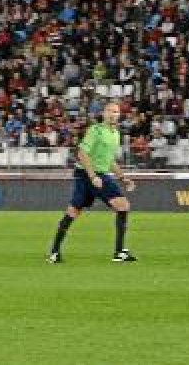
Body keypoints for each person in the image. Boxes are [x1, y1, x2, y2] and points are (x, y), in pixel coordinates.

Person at [48, 101, 137, 263]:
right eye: (110, 111)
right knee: (76, 211)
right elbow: (82, 154)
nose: (113, 114)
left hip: (97, 175)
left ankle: (54, 252)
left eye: (116, 112)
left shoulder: (116, 134)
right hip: (87, 175)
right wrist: (93, 176)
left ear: (119, 115)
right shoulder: (96, 130)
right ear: (103, 114)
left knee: (77, 211)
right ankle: (55, 252)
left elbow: (110, 160)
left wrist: (123, 177)